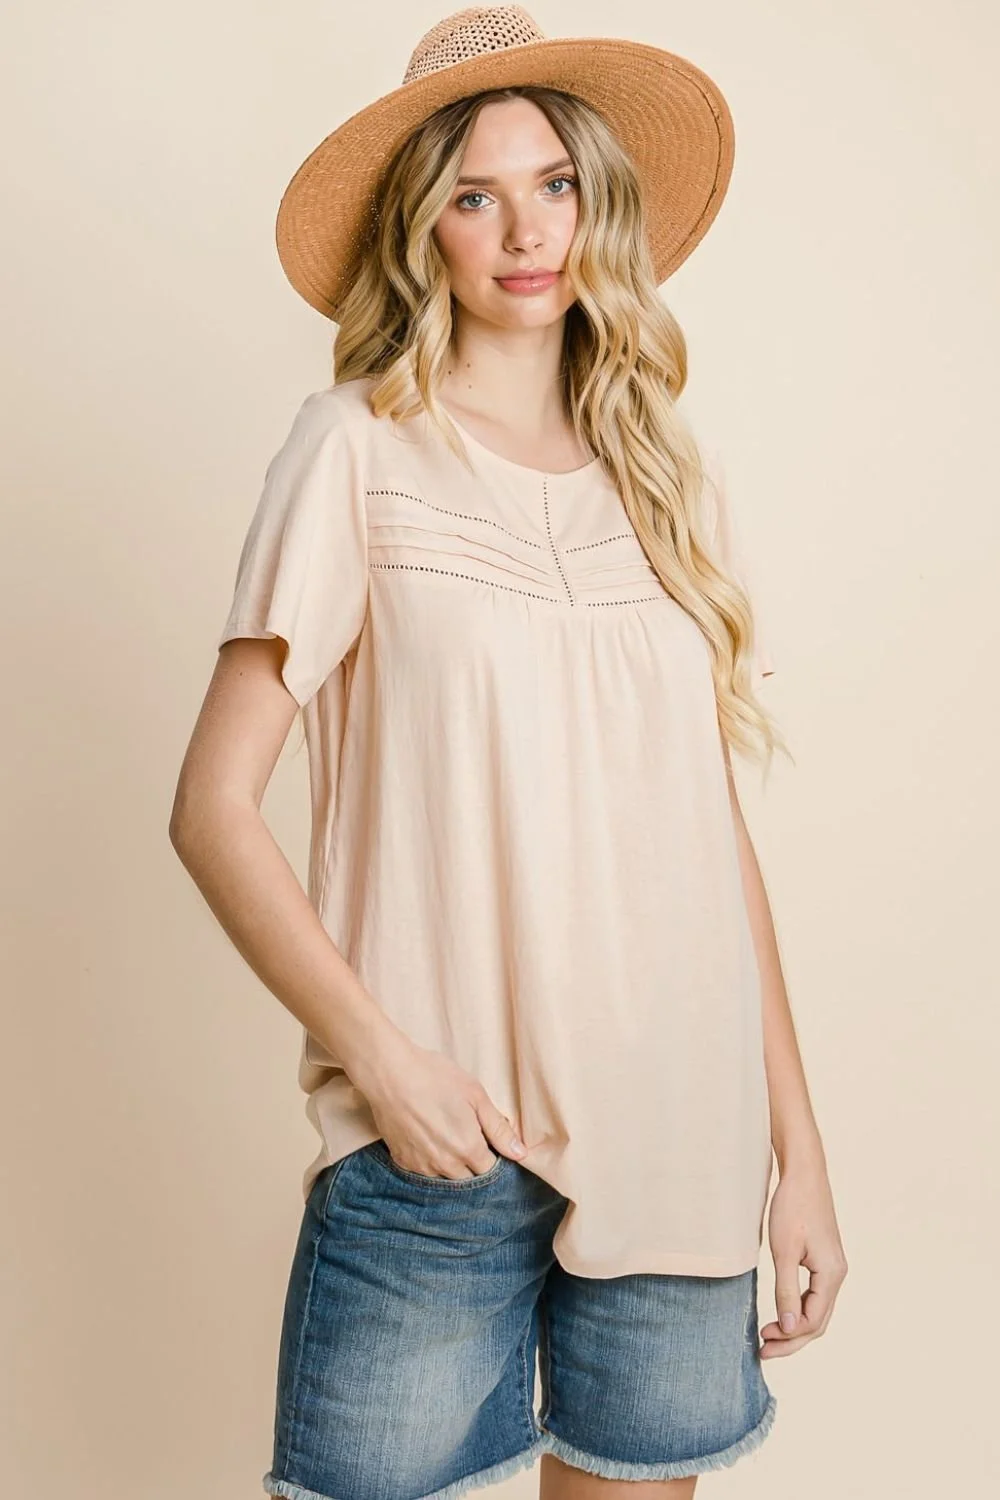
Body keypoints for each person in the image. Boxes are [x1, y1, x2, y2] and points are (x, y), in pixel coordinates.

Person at [169, 7, 848, 1499]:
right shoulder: (355, 448)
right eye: (474, 196)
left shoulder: (669, 480)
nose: (527, 231)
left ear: (600, 204)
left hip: (681, 1140)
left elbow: (710, 840)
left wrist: (796, 1149)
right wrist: (384, 1063)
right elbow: (212, 807)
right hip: (444, 1147)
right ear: (425, 229)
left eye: (556, 185)